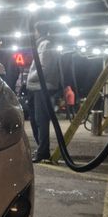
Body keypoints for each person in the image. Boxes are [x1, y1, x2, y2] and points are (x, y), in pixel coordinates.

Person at [26, 22, 60, 163]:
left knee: (41, 120)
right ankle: (41, 149)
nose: (33, 34)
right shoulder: (41, 45)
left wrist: (29, 79)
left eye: (34, 31)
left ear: (38, 31)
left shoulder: (45, 45)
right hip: (36, 87)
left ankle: (43, 151)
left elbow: (43, 68)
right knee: (35, 120)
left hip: (42, 87)